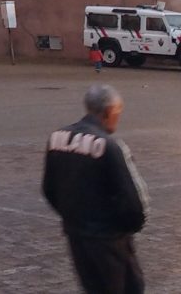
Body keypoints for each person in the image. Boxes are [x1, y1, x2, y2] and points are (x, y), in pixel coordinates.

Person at [42, 84, 147, 294]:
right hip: (109, 238)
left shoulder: (58, 138)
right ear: (109, 112)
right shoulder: (109, 146)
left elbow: (49, 188)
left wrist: (73, 217)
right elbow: (131, 200)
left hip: (77, 235)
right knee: (128, 287)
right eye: (118, 112)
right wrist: (126, 228)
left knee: (93, 287)